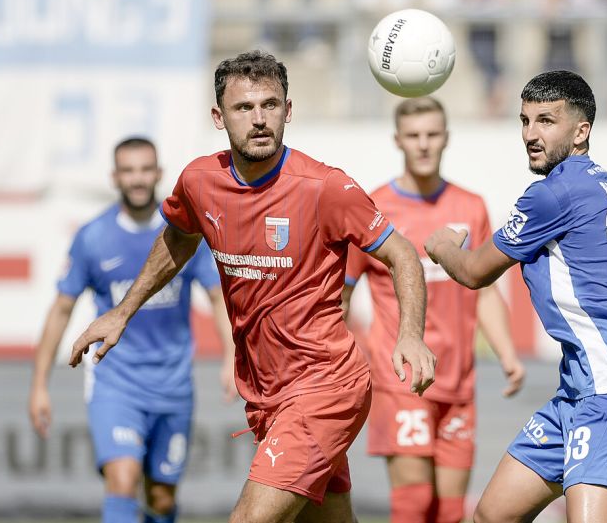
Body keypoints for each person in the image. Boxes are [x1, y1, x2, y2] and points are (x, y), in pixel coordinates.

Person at [67, 51, 436, 523]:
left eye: (270, 105)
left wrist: (410, 332)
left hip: (325, 387)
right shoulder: (201, 181)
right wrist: (123, 311)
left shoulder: (325, 187)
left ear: (288, 110)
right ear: (219, 118)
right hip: (267, 395)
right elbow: (178, 238)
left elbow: (402, 253)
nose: (259, 120)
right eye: (244, 108)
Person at [425, 70, 607, 523]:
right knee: (493, 515)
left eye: (546, 121)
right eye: (525, 121)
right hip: (579, 391)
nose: (531, 135)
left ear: (581, 131)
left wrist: (441, 247)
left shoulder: (554, 193)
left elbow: (476, 272)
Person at [28, 137, 236, 523]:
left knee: (160, 498)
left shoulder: (185, 233)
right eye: (128, 170)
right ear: (115, 177)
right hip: (116, 384)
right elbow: (61, 310)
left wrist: (231, 357)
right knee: (122, 480)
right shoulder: (93, 237)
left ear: (158, 173)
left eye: (145, 169)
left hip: (174, 384)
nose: (138, 179)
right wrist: (40, 383)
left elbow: (217, 297)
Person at [342, 96, 526, 523]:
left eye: (432, 134)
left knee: (450, 512)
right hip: (400, 381)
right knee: (414, 505)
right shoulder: (374, 207)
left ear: (446, 138)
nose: (423, 144)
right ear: (398, 141)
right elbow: (343, 297)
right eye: (413, 136)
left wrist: (508, 353)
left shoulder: (470, 206)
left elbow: (483, 291)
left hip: (458, 381)